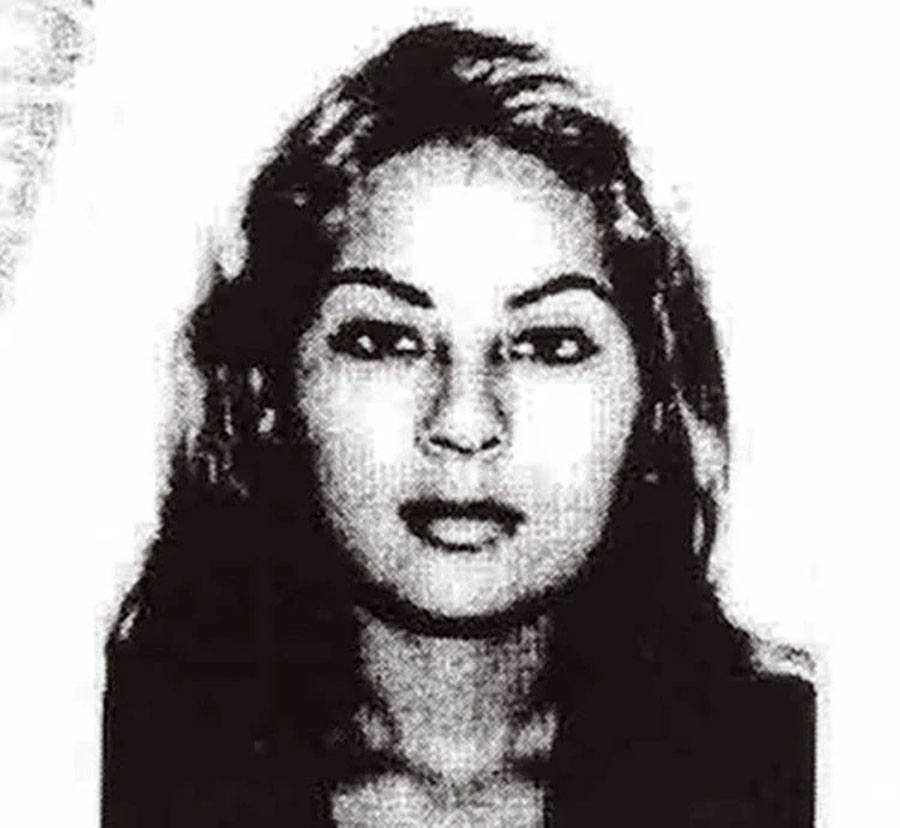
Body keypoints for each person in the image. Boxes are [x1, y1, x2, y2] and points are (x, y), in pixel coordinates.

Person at [102, 22, 814, 827]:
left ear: (651, 403)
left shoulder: (808, 769)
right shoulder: (77, 754)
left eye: (549, 344)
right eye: (385, 340)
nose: (466, 421)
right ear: (270, 392)